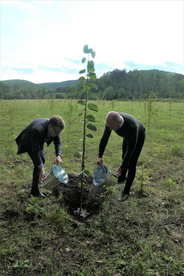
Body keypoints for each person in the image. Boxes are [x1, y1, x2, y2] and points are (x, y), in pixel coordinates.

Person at [97, 111, 146, 202]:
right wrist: (100, 155)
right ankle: (122, 177)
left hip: (138, 136)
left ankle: (126, 192)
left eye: (112, 127)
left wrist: (122, 166)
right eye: (109, 127)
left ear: (119, 122)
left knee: (131, 162)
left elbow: (130, 150)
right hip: (127, 136)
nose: (110, 129)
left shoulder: (132, 127)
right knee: (124, 155)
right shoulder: (111, 122)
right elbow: (105, 138)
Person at [15, 115, 65, 198]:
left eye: (59, 133)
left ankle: (35, 187)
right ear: (50, 126)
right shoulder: (37, 130)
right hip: (29, 140)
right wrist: (41, 169)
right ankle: (35, 190)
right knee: (38, 163)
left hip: (39, 139)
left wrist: (58, 155)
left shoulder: (56, 128)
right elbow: (35, 152)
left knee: (42, 160)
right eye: (56, 132)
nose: (57, 135)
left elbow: (58, 142)